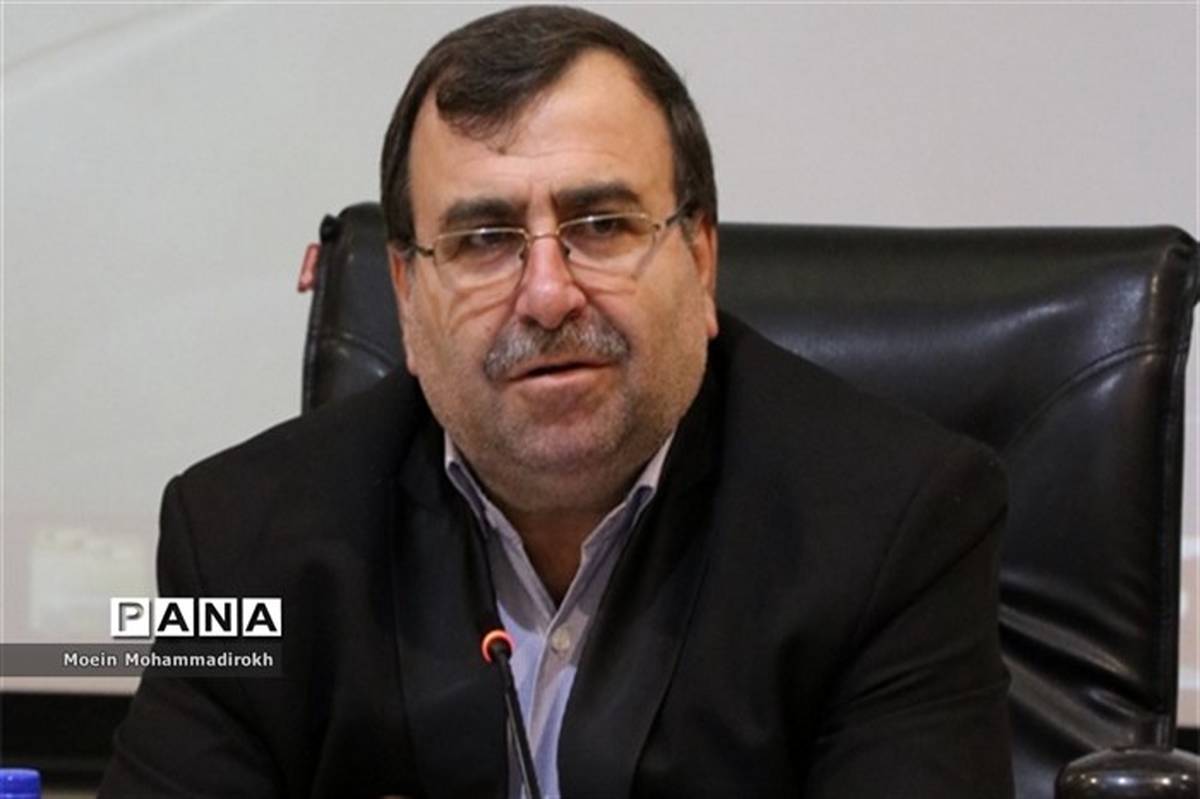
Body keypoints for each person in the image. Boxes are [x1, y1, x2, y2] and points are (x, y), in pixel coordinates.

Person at [101, 6, 1014, 797]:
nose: (546, 294)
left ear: (700, 259)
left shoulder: (895, 528)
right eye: (483, 239)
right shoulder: (238, 544)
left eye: (602, 225)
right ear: (407, 295)